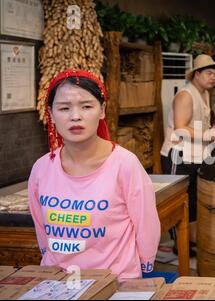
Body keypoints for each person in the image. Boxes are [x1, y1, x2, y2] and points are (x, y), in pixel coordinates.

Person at [28, 69, 160, 280]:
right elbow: (42, 231)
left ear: (102, 110)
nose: (75, 116)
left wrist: (144, 270)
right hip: (57, 281)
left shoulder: (124, 165)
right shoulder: (41, 169)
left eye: (87, 106)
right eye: (64, 108)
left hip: (114, 282)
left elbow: (147, 228)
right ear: (51, 114)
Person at [160, 54, 215, 255]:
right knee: (178, 201)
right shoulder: (185, 95)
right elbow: (180, 128)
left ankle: (191, 240)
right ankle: (179, 245)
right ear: (196, 74)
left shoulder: (204, 94)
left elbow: (196, 124)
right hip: (178, 155)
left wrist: (212, 131)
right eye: (208, 73)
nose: (213, 78)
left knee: (194, 201)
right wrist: (207, 134)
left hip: (196, 155)